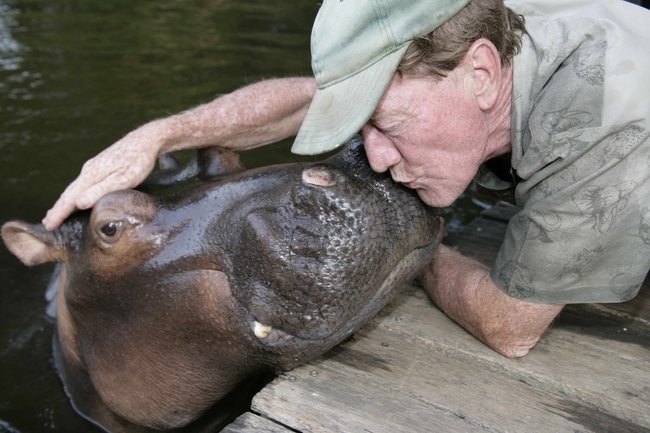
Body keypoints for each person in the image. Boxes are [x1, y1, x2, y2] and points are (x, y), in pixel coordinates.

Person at [41, 0, 650, 358]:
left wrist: (411, 244)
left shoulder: (604, 125)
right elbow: (300, 102)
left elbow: (510, 326)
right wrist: (161, 136)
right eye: (365, 126)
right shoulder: (469, 26)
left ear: (482, 74)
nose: (376, 158)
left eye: (388, 124)